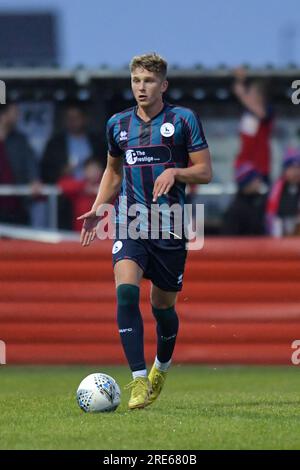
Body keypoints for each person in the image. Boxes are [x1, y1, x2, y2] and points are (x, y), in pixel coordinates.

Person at [77, 53, 212, 410]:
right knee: (125, 294)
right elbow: (114, 171)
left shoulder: (183, 120)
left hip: (171, 227)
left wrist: (176, 172)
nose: (141, 87)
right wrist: (98, 206)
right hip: (130, 222)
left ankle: (160, 368)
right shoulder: (117, 124)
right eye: (136, 80)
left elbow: (205, 171)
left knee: (162, 307)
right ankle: (137, 380)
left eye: (149, 81)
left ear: (163, 85)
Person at [41, 103, 105, 229]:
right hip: (67, 201)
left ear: (85, 119)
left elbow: (110, 166)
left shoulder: (97, 141)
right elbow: (47, 172)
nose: (72, 121)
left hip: (97, 197)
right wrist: (63, 171)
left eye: (76, 117)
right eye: (69, 118)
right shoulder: (55, 143)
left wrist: (98, 180)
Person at [0, 103, 41, 225]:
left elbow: (30, 162)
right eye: (15, 112)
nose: (18, 116)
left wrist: (34, 179)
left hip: (17, 206)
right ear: (4, 114)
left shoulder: (20, 139)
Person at [233, 68, 274, 185]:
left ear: (260, 95)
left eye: (251, 92)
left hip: (260, 167)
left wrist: (242, 93)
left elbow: (261, 113)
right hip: (244, 165)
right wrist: (240, 80)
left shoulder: (268, 111)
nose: (248, 95)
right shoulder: (248, 113)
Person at [58, 158, 104, 232]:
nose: (93, 173)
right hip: (80, 233)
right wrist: (84, 187)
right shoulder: (80, 186)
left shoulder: (107, 188)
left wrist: (102, 191)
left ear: (101, 171)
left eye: (96, 170)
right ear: (85, 171)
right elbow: (62, 184)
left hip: (103, 235)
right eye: (90, 170)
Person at [222, 162, 267, 235]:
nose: (259, 181)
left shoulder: (261, 202)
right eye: (255, 179)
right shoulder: (235, 210)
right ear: (246, 184)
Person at [266, 148, 300, 237]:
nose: (296, 172)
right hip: (281, 238)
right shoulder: (276, 190)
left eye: (298, 168)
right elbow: (270, 215)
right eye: (292, 168)